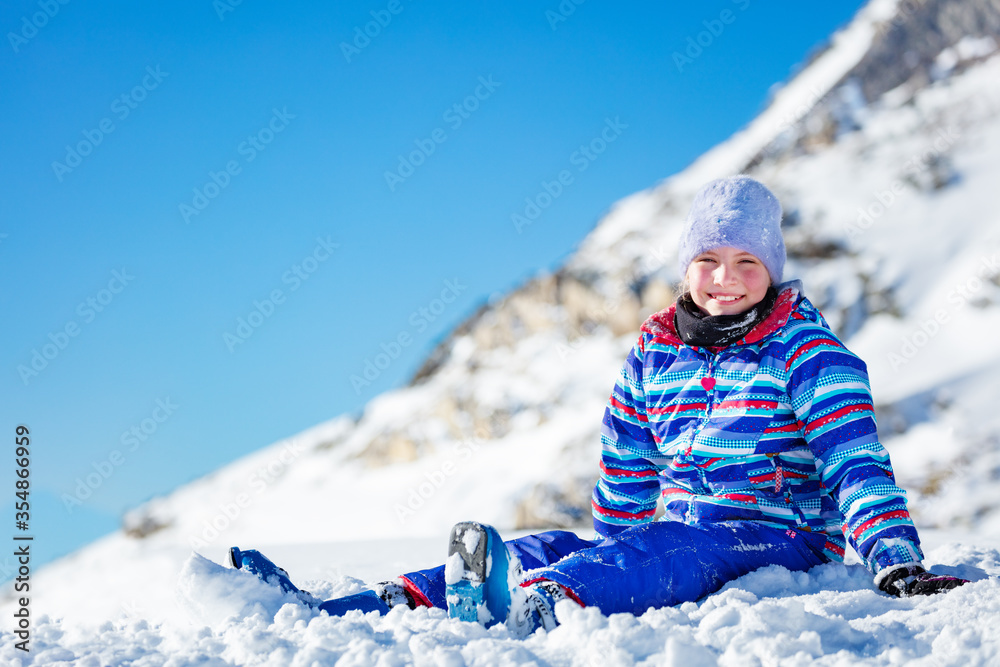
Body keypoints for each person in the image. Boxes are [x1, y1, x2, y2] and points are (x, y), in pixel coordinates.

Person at [231, 175, 967, 635]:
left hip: (778, 536)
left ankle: (548, 604)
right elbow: (627, 465)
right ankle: (365, 605)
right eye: (709, 260)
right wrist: (603, 547)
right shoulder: (656, 353)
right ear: (687, 268)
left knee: (671, 547)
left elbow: (856, 461)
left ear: (771, 270)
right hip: (682, 526)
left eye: (747, 262)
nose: (725, 278)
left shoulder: (810, 354)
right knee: (550, 543)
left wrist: (894, 558)